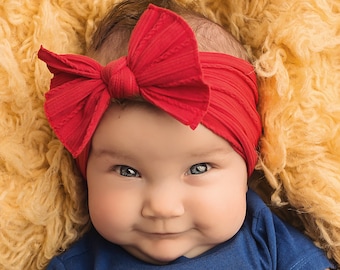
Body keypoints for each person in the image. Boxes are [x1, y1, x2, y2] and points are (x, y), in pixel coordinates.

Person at [38, 0, 334, 269]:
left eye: (199, 168)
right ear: (86, 171)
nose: (163, 207)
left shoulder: (268, 241)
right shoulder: (79, 264)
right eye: (127, 171)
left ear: (247, 166)